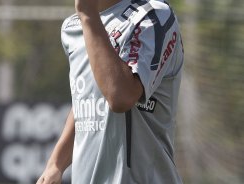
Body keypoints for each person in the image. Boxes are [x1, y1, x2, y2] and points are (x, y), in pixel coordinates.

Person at [37, 0, 184, 183]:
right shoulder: (72, 27)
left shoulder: (153, 16)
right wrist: (55, 164)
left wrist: (89, 15)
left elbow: (120, 97)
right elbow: (89, 97)